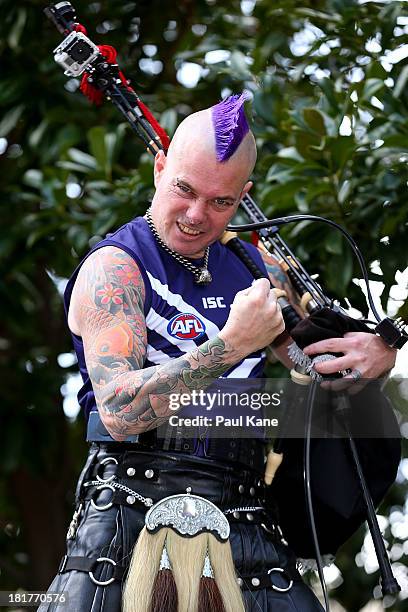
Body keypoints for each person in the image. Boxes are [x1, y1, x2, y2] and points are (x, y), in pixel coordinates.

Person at [40, 94, 399, 612]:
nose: (195, 215)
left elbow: (317, 369)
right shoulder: (115, 268)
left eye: (220, 202)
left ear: (243, 197)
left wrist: (377, 350)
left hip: (248, 512)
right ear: (160, 166)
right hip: (132, 508)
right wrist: (232, 345)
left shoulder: (257, 267)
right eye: (185, 190)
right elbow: (120, 413)